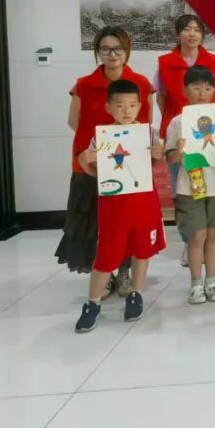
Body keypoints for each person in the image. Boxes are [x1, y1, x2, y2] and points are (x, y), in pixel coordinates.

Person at [57, 27, 153, 299]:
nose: (112, 54)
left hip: (128, 166)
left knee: (127, 222)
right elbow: (74, 122)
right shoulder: (83, 85)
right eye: (105, 49)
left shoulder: (141, 83)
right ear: (97, 52)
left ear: (127, 50)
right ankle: (105, 274)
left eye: (118, 48)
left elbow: (146, 123)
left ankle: (124, 272)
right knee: (94, 222)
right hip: (90, 164)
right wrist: (95, 150)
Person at [74, 79, 166, 332]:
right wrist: (84, 161)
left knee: (142, 250)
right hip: (114, 205)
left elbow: (153, 165)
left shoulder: (148, 133)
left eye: (132, 105)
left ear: (140, 106)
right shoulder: (101, 135)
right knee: (106, 254)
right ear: (109, 107)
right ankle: (92, 303)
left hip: (143, 202)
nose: (127, 111)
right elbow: (95, 173)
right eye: (120, 106)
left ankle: (136, 294)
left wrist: (158, 155)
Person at [155, 14, 215, 266]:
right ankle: (189, 243)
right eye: (186, 29)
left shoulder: (214, 61)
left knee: (209, 188)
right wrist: (178, 123)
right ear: (178, 34)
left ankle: (208, 243)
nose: (192, 34)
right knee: (184, 189)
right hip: (181, 135)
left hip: (207, 134)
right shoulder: (165, 63)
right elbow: (161, 98)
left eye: (197, 29)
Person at [165, 66, 215, 304]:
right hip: (189, 187)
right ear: (185, 91)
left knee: (213, 235)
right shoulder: (178, 122)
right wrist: (179, 150)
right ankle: (196, 282)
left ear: (214, 91)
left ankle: (212, 280)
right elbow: (170, 157)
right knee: (196, 236)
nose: (202, 92)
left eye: (207, 88)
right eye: (196, 87)